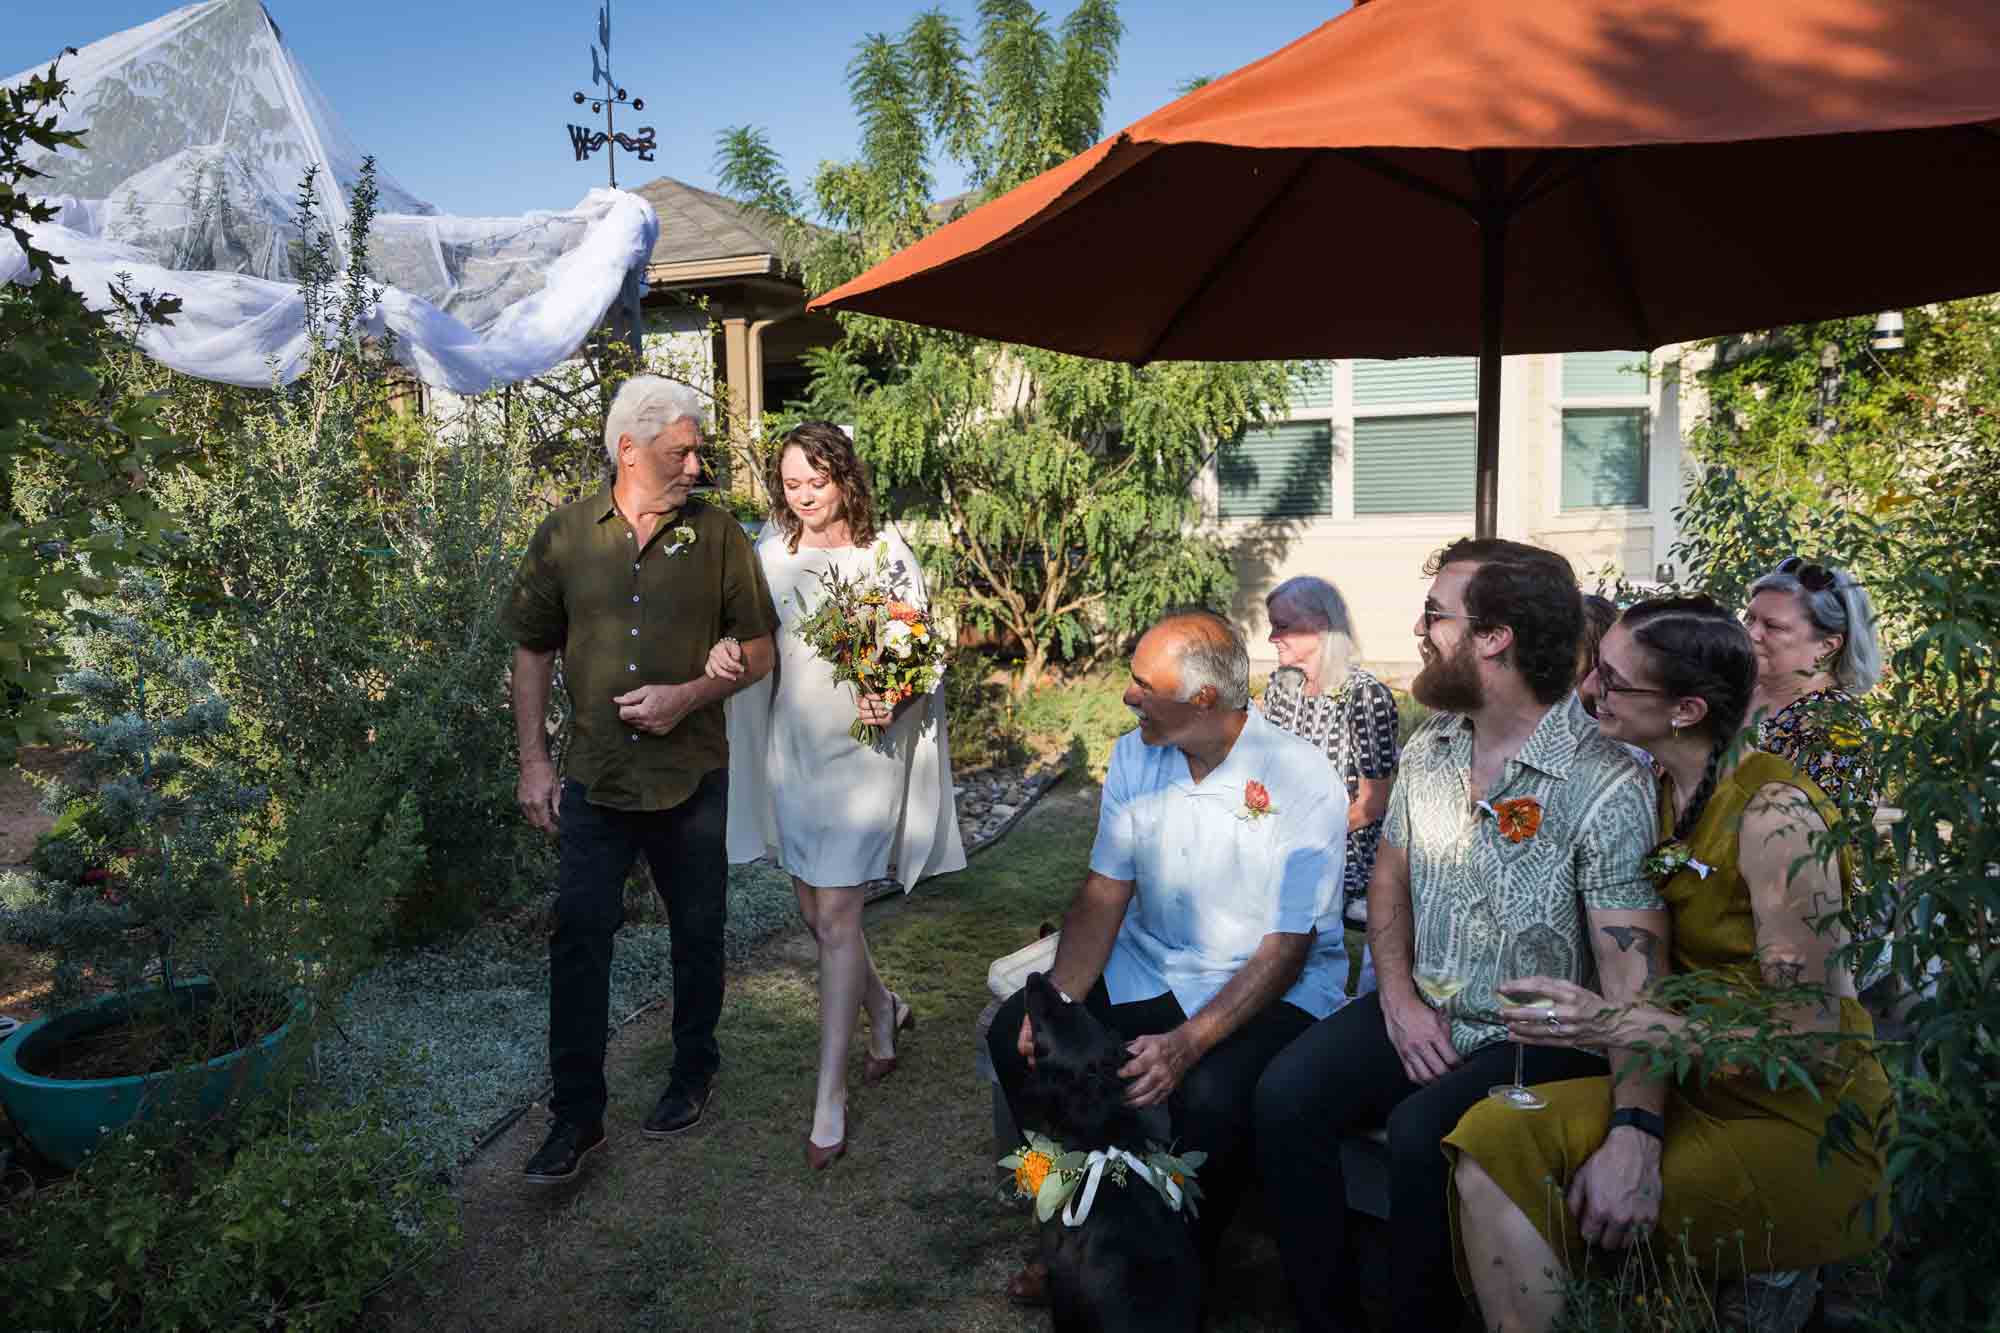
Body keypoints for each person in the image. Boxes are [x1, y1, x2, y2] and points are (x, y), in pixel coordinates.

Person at [1253, 538, 1666, 1333]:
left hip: (1538, 1036)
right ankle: (1326, 1316)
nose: (1420, 628)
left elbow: (1634, 978)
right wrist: (1399, 1001)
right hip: (1428, 1001)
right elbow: (1389, 881)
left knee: (1419, 1135)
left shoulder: (1607, 781)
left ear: (1495, 635)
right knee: (1284, 1095)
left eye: (1437, 615)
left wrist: (1635, 1126)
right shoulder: (1431, 745)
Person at [1448, 597, 1891, 1333]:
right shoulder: (1656, 789)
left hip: (1799, 1121)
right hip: (1695, 1087)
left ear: (1685, 709)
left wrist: (1616, 1019)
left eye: (1615, 682)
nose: (1591, 688)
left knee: (1562, 1194)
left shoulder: (1774, 818)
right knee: (1490, 1139)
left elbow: (1808, 1040)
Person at [988, 610, 1354, 1304]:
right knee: (1018, 1036)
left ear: (1203, 700)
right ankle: (1074, 1226)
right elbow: (1104, 890)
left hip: (1269, 984)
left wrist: (1187, 1043)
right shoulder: (1135, 755)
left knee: (1210, 1094)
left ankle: (1172, 1259)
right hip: (1150, 965)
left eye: (1140, 684)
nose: (1127, 695)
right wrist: (1058, 1001)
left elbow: (1286, 948)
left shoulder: (1301, 780)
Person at [504, 375, 778, 1183]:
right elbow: (531, 651)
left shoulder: (720, 534)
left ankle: (693, 1069)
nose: (698, 463)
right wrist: (533, 759)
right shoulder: (563, 536)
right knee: (579, 937)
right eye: (680, 450)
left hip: (691, 774)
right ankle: (575, 1118)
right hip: (596, 776)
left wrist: (690, 693)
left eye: (697, 449)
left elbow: (760, 653)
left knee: (698, 932)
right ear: (629, 450)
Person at [703, 421, 965, 1169]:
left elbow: (918, 650)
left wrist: (897, 695)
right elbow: (746, 643)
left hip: (863, 754)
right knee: (816, 915)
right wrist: (724, 649)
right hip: (795, 755)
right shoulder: (769, 555)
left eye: (815, 480)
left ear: (844, 477)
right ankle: (882, 1007)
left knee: (840, 916)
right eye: (790, 483)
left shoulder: (886, 556)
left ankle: (830, 1096)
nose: (804, 495)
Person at [1259, 574, 1399, 996]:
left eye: (1282, 625)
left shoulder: (1365, 697)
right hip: (1286, 837)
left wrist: (1304, 838)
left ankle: (1300, 998)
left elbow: (1374, 803)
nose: (1271, 637)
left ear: (1320, 626)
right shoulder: (1284, 688)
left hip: (1350, 849)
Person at [1742, 556, 1882, 809]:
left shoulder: (1837, 730)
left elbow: (1822, 839)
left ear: (1826, 646)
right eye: (1750, 618)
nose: (1751, 634)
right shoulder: (1735, 691)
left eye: (1772, 626)